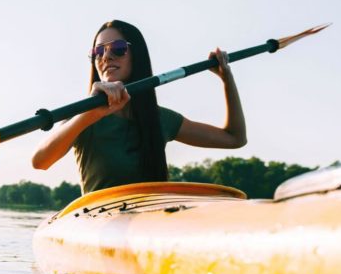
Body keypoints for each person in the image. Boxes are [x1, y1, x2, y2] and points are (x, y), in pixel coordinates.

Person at [32, 20, 248, 194]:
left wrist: (227, 79)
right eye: (98, 52)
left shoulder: (161, 118)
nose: (106, 56)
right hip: (99, 221)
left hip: (149, 220)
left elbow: (235, 139)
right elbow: (40, 161)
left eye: (118, 49)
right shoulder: (82, 116)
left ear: (137, 57)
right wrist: (89, 114)